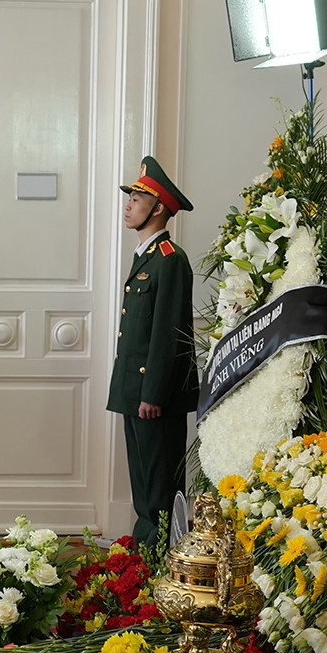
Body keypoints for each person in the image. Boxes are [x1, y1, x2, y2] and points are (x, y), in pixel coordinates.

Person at [106, 156, 200, 553]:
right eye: (129, 195)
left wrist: (153, 394)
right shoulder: (146, 257)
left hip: (153, 394)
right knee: (143, 481)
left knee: (160, 486)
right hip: (135, 387)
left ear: (158, 207)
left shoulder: (170, 261)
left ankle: (159, 557)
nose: (128, 204)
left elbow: (168, 335)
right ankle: (144, 556)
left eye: (137, 196)